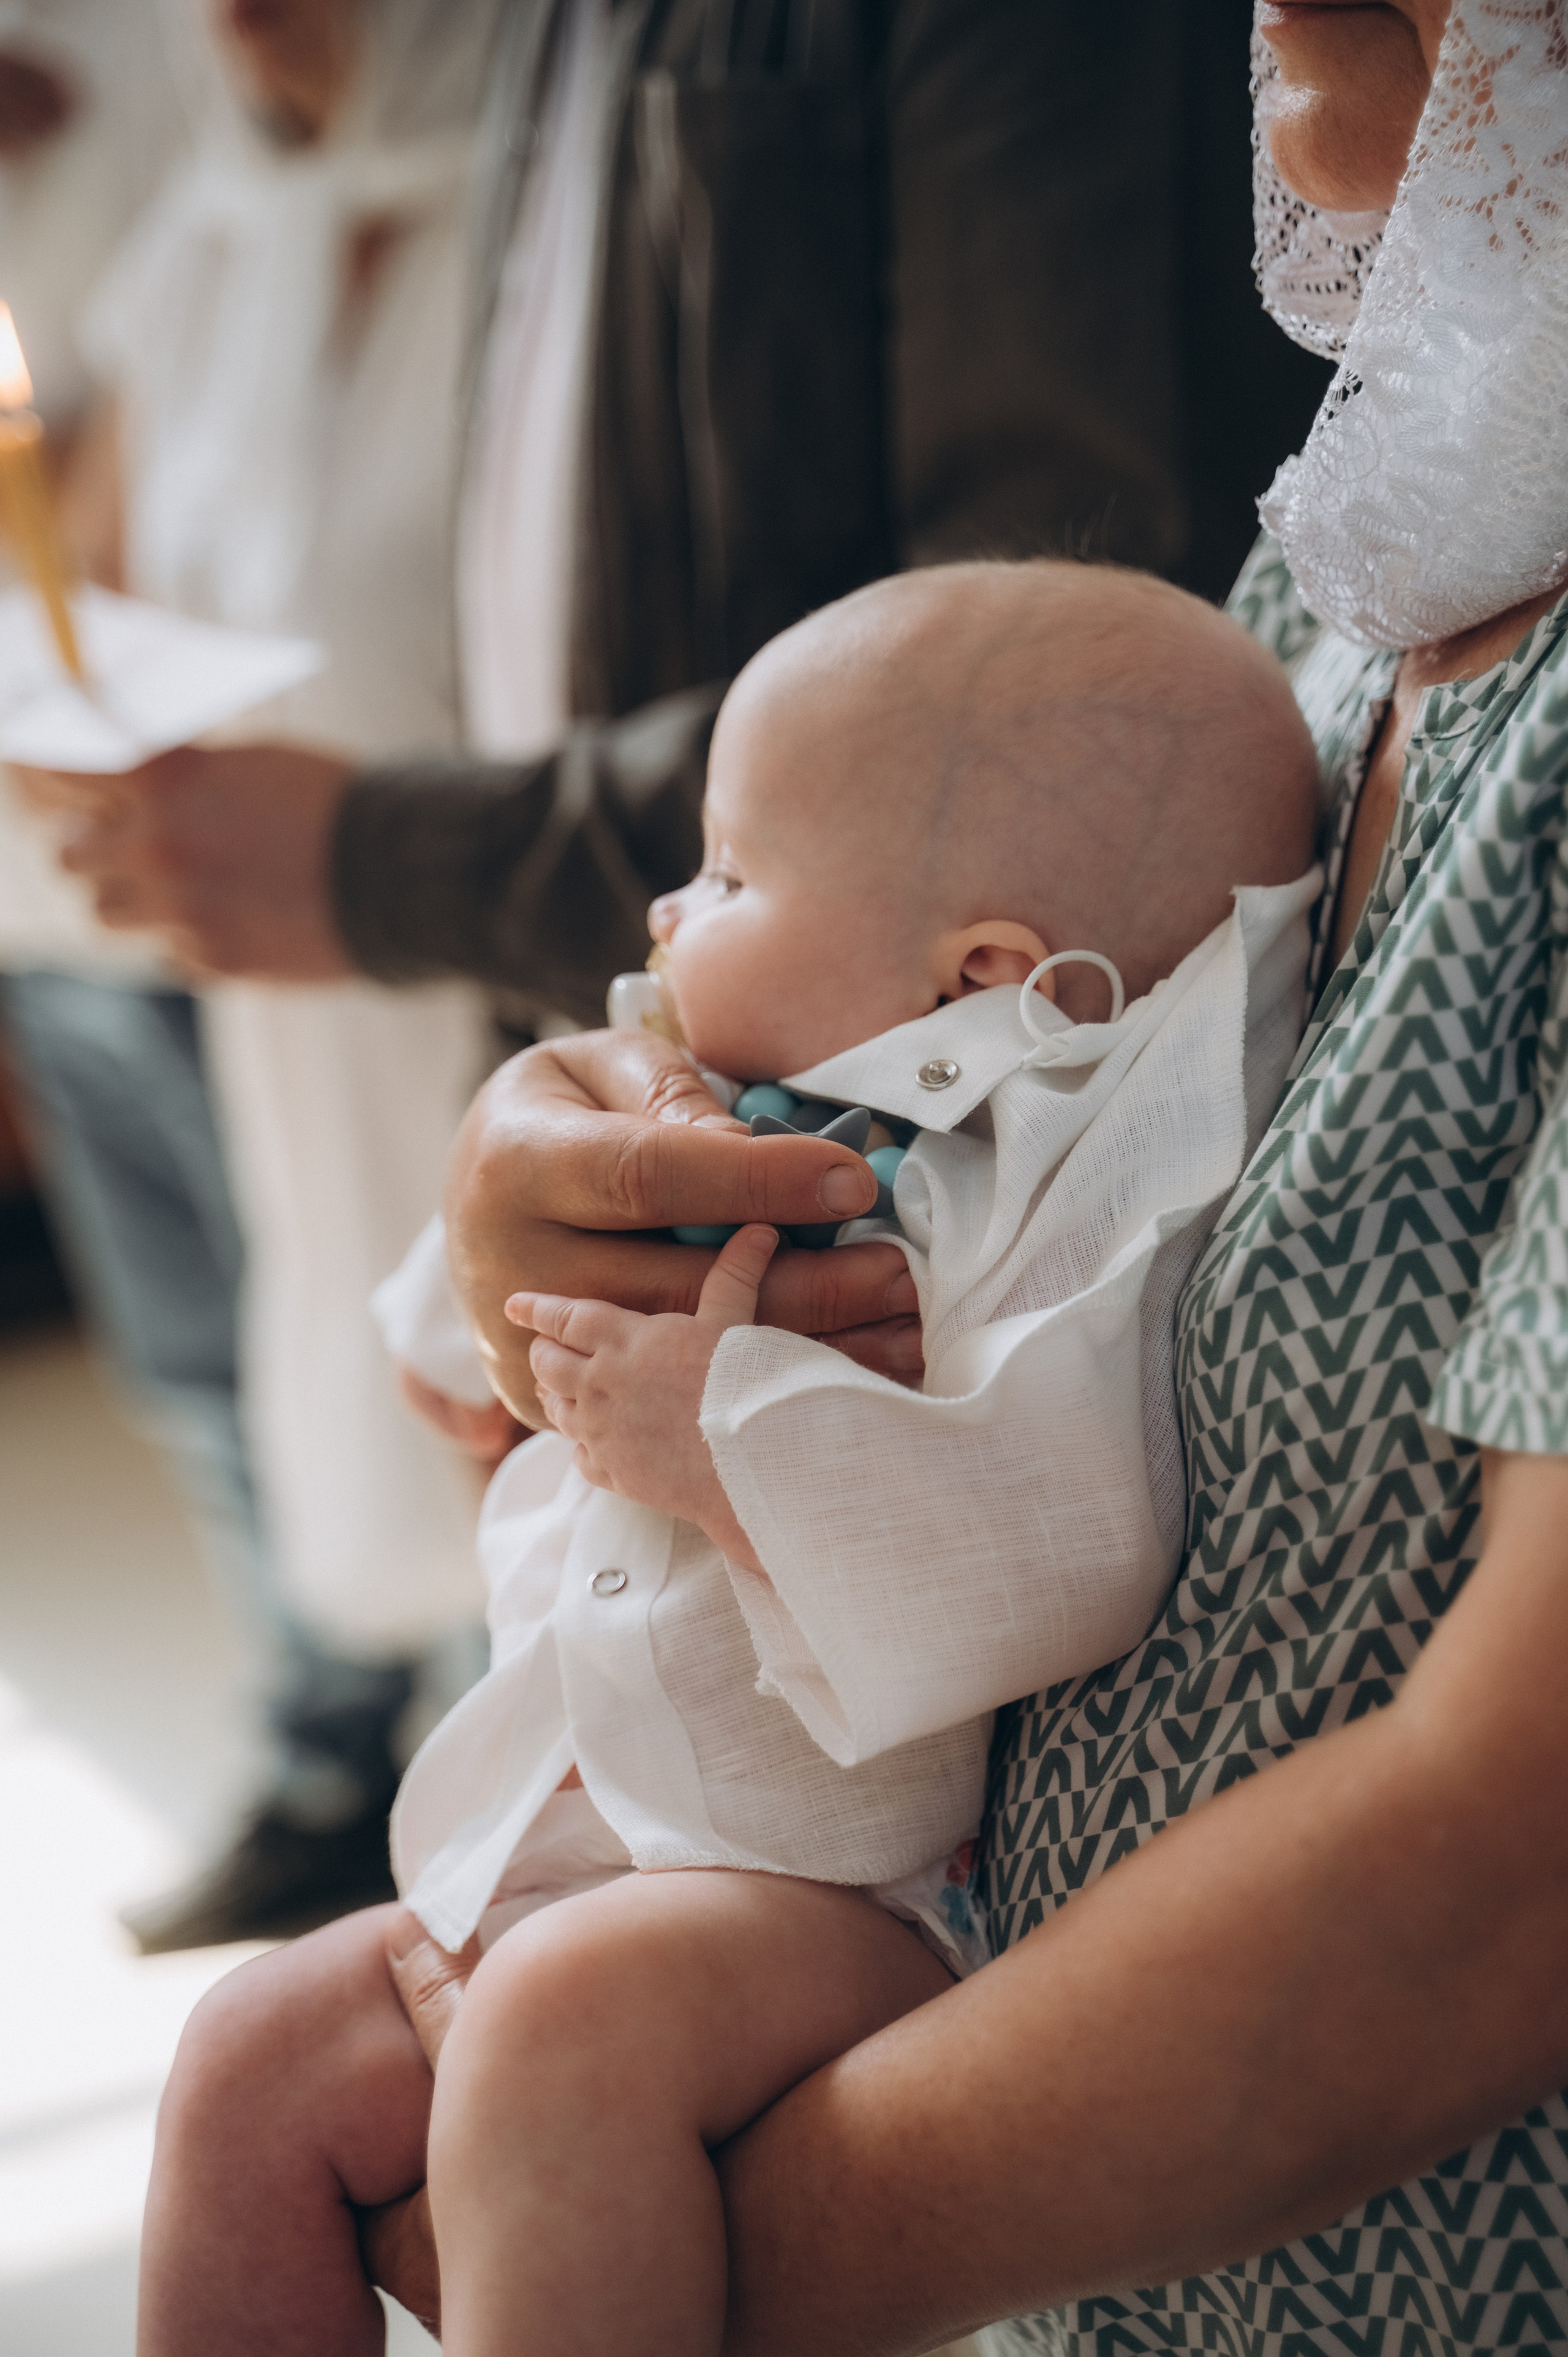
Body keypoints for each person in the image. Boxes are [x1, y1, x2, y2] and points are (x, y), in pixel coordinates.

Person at [348, 1, 1568, 2347]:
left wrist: (622, 2210)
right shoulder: (1365, 567)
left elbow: (1509, 1868)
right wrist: (552, 1170)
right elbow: (899, 1030)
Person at [138, 556, 1321, 2356]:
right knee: (245, 2054)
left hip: (848, 1896)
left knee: (555, 2032)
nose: (673, 912)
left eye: (732, 871)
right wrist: (479, 1336)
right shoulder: (743, 1087)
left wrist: (723, 1451)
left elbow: (1069, 1547)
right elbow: (524, 1263)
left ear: (989, 976)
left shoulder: (1068, 1207)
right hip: (591, 1835)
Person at [43, 0, 1329, 1036]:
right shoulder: (553, 37)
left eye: (711, 879)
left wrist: (394, 865)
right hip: (571, 1042)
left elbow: (1071, 709)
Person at [38, 0, 508, 1955]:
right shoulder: (208, 246)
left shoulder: (544, 221)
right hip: (275, 976)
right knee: (291, 1363)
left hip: (489, 949)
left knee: (516, 1418)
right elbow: (92, 586)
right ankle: (417, 1836)